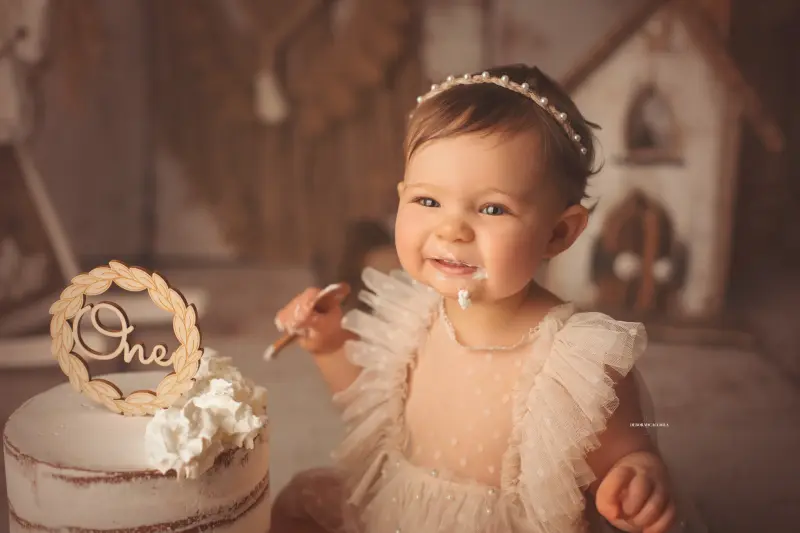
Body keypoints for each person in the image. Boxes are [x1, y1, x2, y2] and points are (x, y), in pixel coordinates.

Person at [270, 65, 678, 533]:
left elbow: (626, 452)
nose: (452, 229)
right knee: (299, 502)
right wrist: (327, 344)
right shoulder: (412, 317)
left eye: (491, 209)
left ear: (558, 233)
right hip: (396, 514)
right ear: (401, 198)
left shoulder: (573, 363)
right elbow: (370, 407)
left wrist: (634, 478)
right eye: (428, 201)